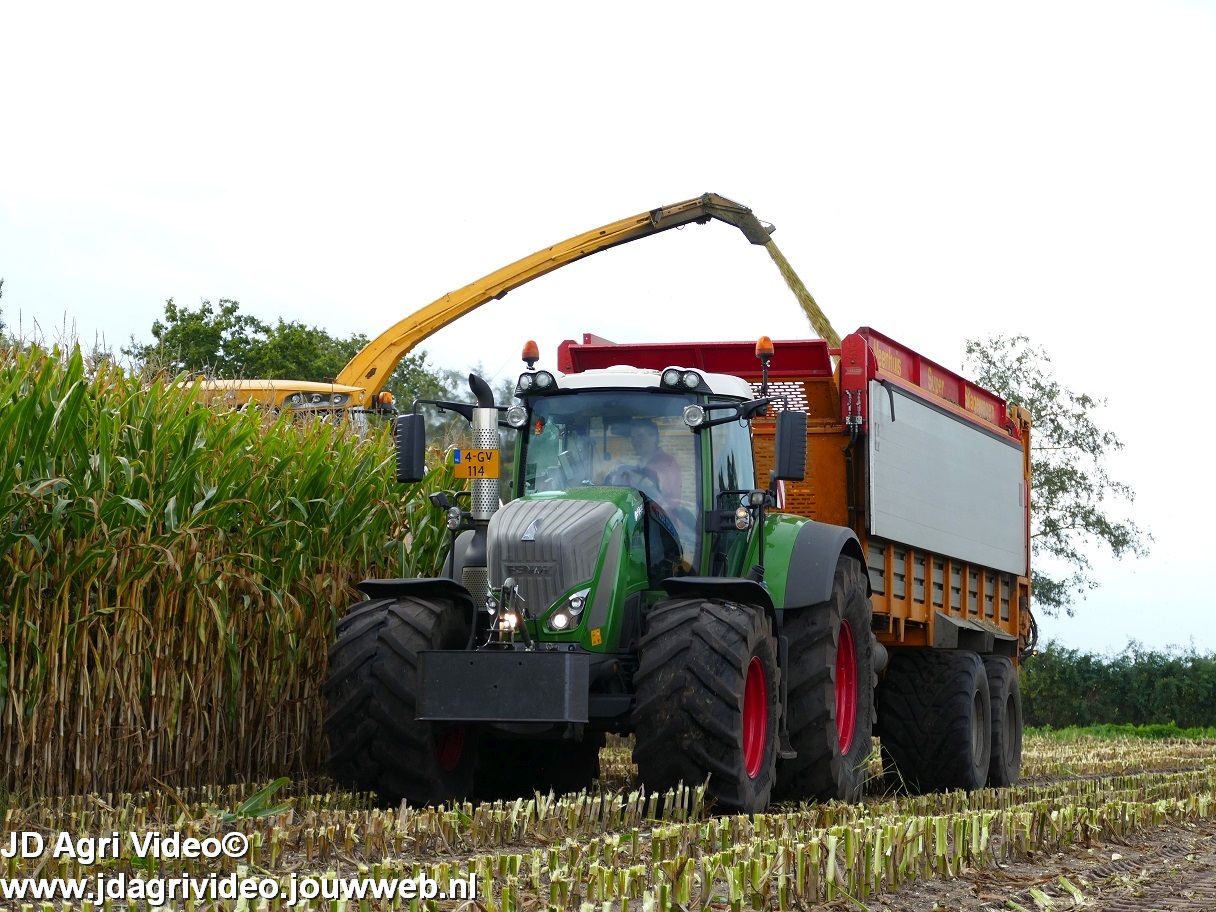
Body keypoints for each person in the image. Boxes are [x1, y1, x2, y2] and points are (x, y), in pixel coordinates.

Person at [611, 420, 682, 513]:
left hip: (662, 517)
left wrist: (629, 472)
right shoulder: (640, 464)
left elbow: (658, 492)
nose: (635, 441)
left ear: (654, 438)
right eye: (632, 437)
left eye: (640, 436)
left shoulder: (667, 462)